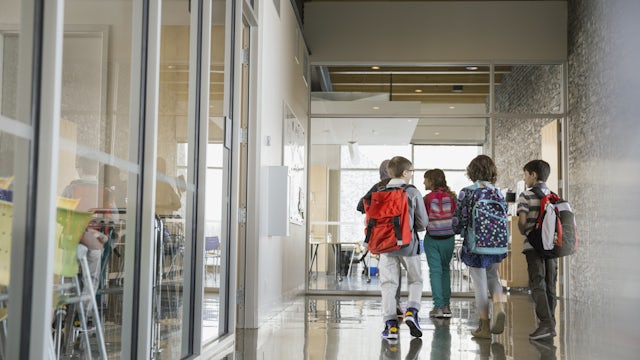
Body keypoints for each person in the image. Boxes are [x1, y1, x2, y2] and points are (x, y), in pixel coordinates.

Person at [453, 155, 507, 339]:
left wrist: (456, 229)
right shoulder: (498, 193)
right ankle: (499, 306)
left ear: (472, 171)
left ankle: (484, 326)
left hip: (475, 244)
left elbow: (460, 219)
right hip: (496, 244)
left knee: (479, 285)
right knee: (493, 277)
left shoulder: (467, 192)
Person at [378, 156, 428, 341]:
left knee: (388, 284)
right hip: (408, 245)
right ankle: (412, 312)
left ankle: (390, 326)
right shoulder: (412, 192)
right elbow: (423, 222)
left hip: (385, 245)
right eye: (412, 171)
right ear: (405, 172)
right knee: (415, 280)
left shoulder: (380, 190)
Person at [357, 159, 405, 319]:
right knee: (399, 274)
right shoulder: (403, 186)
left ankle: (390, 309)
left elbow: (360, 206)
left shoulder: (378, 187)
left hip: (383, 238)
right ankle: (397, 304)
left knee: (388, 276)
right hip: (401, 237)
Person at [516, 159, 558, 340]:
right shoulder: (554, 196)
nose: (524, 179)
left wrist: (524, 229)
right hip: (551, 247)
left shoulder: (526, 195)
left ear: (533, 174)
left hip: (533, 247)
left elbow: (523, 223)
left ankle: (546, 324)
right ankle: (550, 323)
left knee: (537, 284)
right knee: (550, 284)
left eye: (525, 174)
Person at [422, 169, 457, 318]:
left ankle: (437, 307)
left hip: (432, 238)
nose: (424, 182)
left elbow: (422, 218)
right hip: (449, 238)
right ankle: (446, 306)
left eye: (425, 179)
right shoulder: (452, 197)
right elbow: (456, 217)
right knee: (445, 270)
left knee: (435, 272)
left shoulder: (427, 198)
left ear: (432, 181)